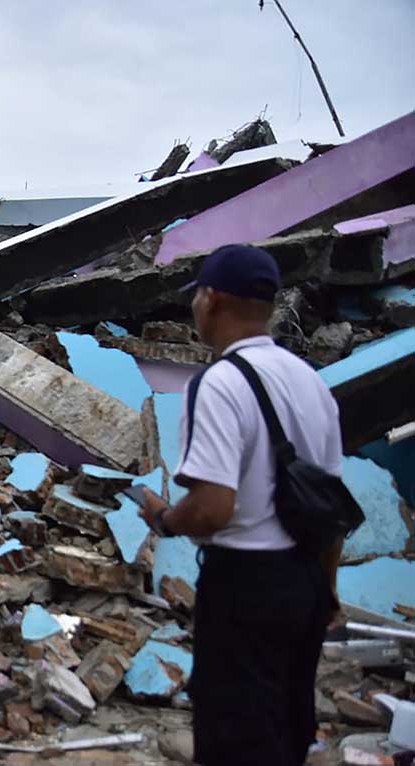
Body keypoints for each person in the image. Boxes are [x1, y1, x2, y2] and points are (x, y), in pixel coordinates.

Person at [136, 244, 343, 765]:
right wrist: (328, 591)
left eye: (196, 297)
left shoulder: (219, 384)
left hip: (246, 585)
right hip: (306, 581)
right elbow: (332, 507)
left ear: (211, 299)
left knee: (236, 735)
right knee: (288, 726)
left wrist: (164, 518)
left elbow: (211, 508)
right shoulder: (311, 382)